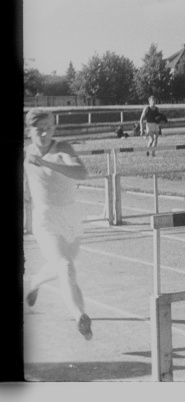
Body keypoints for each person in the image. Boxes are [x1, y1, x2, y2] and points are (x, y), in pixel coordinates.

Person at [23, 109, 93, 340]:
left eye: (49, 127)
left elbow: (82, 173)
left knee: (65, 265)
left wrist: (45, 163)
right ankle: (80, 316)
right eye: (39, 128)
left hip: (71, 216)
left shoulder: (62, 147)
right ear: (28, 131)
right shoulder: (25, 154)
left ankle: (35, 282)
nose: (44, 132)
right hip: (45, 218)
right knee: (64, 266)